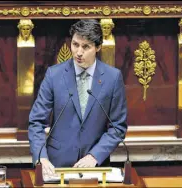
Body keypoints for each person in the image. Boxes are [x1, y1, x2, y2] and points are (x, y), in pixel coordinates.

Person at [28, 19, 128, 176]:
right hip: (55, 166)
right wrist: (41, 158)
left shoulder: (112, 78)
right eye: (75, 44)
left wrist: (95, 155)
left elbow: (117, 127)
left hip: (95, 166)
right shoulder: (54, 75)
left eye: (86, 46)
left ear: (98, 47)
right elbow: (36, 122)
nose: (78, 52)